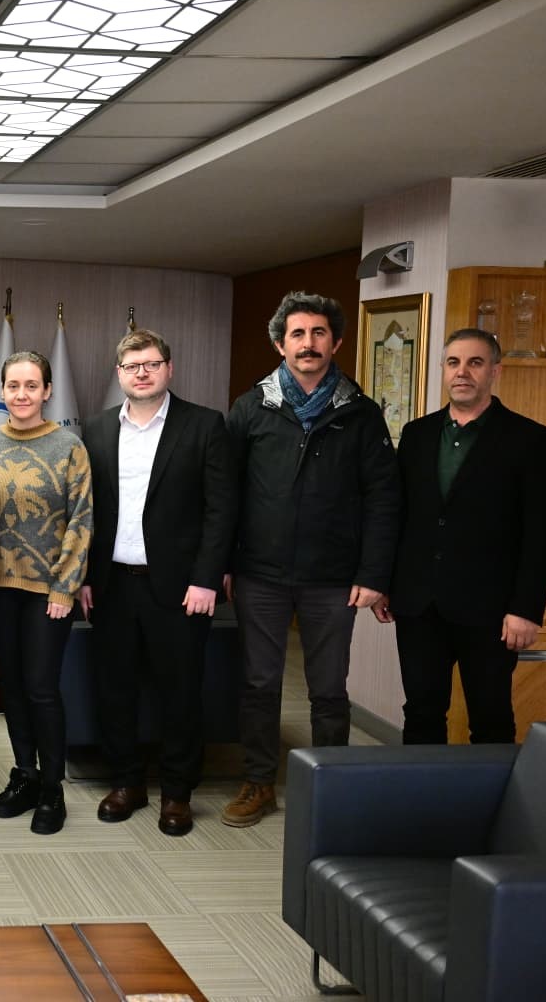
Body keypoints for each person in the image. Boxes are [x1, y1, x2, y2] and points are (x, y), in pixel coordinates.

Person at [222, 291, 399, 828]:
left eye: (318, 333)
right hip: (260, 574)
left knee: (327, 688)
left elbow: (383, 499)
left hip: (333, 579)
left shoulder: (362, 414)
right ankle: (258, 783)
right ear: (280, 343)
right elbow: (225, 493)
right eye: (297, 334)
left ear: (336, 342)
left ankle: (330, 785)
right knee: (259, 683)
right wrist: (223, 564)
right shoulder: (251, 408)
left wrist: (373, 575)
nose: (308, 343)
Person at [79, 330, 234, 837]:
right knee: (115, 690)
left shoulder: (205, 426)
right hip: (111, 584)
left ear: (169, 368)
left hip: (180, 588)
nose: (141, 372)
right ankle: (126, 782)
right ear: (119, 374)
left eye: (151, 363)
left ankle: (176, 793)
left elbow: (221, 511)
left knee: (180, 693)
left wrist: (207, 578)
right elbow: (86, 512)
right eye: (131, 365)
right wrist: (82, 576)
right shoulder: (97, 429)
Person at [373, 328, 546, 743]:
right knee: (421, 713)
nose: (463, 372)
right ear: (442, 370)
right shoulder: (417, 435)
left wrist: (526, 609)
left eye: (475, 363)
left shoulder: (529, 439)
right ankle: (426, 806)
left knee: (490, 717)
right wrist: (385, 584)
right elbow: (399, 516)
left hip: (492, 611)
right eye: (454, 363)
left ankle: (489, 809)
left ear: (495, 370)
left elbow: (542, 532)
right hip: (418, 604)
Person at [0, 350, 92, 835]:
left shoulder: (69, 446)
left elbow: (81, 521)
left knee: (42, 688)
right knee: (12, 685)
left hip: (50, 592)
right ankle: (24, 774)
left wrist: (65, 587)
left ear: (47, 391)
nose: (21, 395)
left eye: (31, 386)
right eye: (13, 386)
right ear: (2, 391)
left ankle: (52, 788)